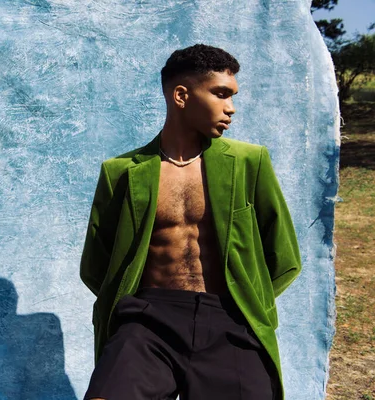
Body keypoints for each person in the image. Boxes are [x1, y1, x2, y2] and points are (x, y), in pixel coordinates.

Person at [79, 44, 302, 400]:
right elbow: (96, 266)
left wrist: (248, 301)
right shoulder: (120, 172)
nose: (230, 107)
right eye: (220, 94)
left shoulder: (249, 162)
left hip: (230, 318)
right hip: (148, 321)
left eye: (232, 96)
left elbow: (284, 256)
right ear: (181, 95)